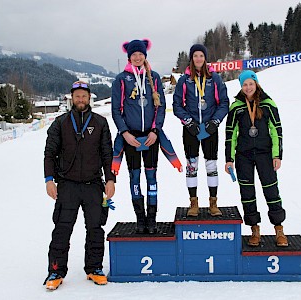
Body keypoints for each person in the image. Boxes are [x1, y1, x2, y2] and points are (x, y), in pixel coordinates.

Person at [43, 81, 116, 290]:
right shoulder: (60, 123)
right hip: (67, 185)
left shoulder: (101, 123)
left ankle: (94, 268)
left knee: (95, 228)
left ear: (89, 98)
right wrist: (49, 179)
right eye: (77, 96)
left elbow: (107, 154)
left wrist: (110, 179)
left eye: (84, 96)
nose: (81, 100)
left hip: (94, 185)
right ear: (71, 98)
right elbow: (49, 153)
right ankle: (56, 270)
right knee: (62, 228)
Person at [224, 70, 288, 247]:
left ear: (256, 84)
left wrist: (277, 155)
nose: (248, 87)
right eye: (244, 84)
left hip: (264, 154)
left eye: (251, 83)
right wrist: (229, 159)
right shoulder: (236, 106)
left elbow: (276, 131)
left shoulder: (268, 103)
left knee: (271, 190)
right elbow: (231, 134)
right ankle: (254, 229)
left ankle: (279, 228)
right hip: (243, 155)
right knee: (247, 193)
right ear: (241, 87)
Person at [111, 39, 166, 234]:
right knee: (135, 177)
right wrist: (125, 133)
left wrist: (155, 131)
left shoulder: (155, 77)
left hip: (150, 137)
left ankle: (152, 219)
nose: (137, 57)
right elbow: (116, 110)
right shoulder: (121, 79)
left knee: (151, 177)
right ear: (129, 56)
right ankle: (140, 218)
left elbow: (161, 108)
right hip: (131, 138)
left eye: (140, 54)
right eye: (134, 54)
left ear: (145, 55)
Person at [173, 44, 229, 217]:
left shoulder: (215, 79)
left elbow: (224, 103)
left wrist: (215, 121)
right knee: (192, 165)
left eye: (201, 56)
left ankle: (213, 202)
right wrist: (188, 122)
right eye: (195, 56)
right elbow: (177, 105)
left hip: (210, 128)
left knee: (211, 165)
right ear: (192, 58)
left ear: (205, 58)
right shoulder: (184, 80)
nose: (198, 59)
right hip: (191, 129)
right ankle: (193, 202)